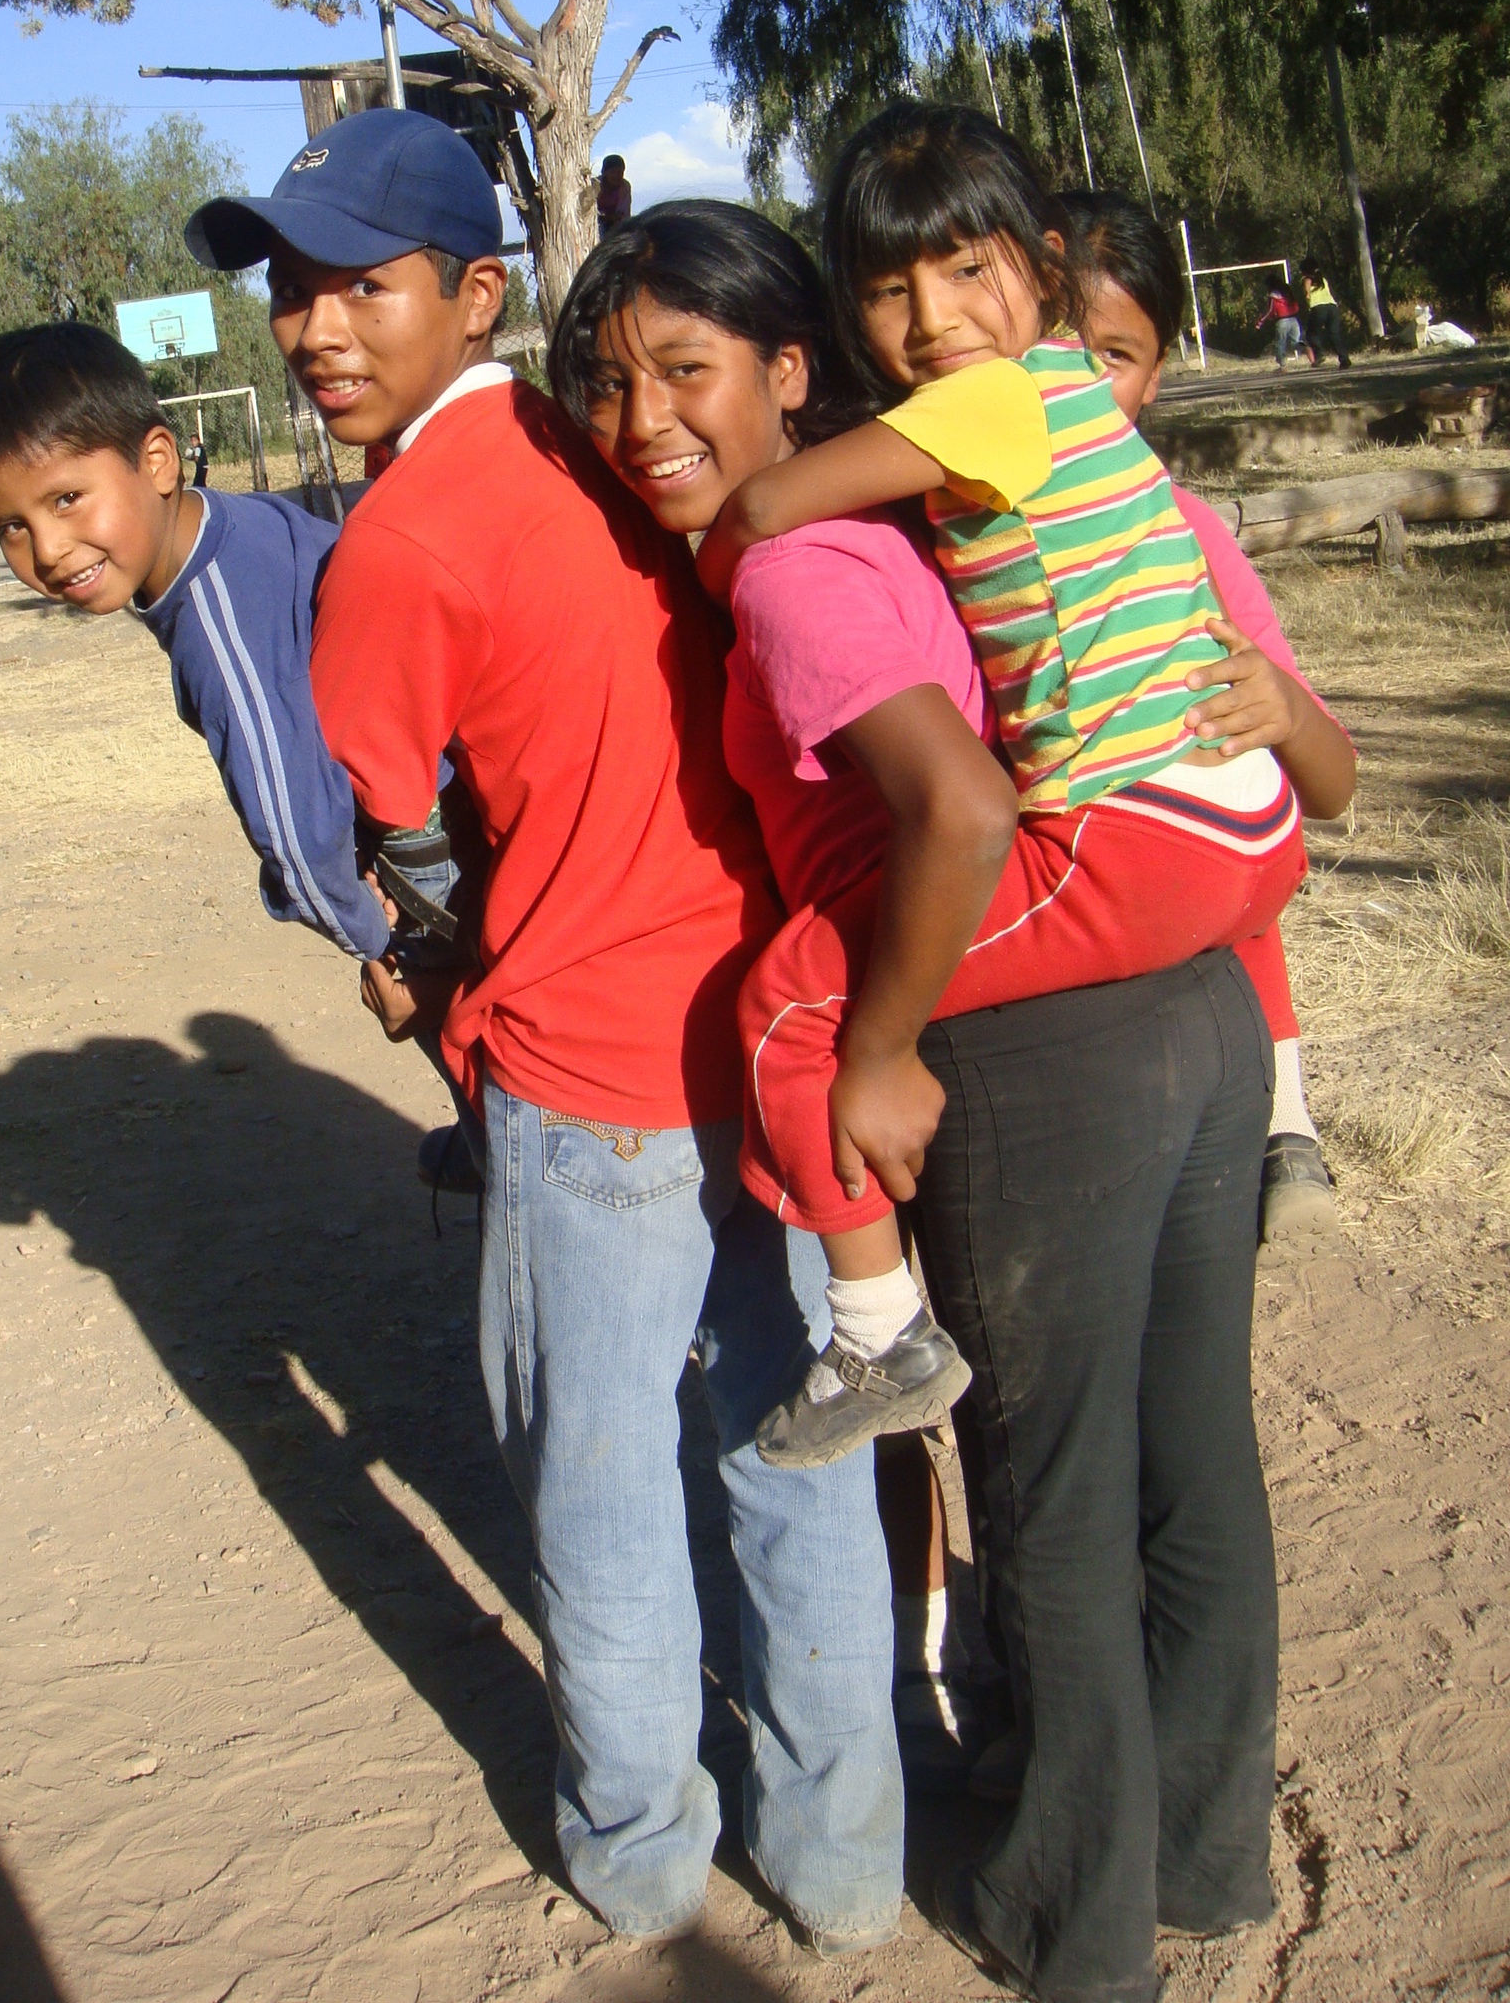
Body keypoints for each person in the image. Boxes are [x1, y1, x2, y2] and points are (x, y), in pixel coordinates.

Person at [549, 179, 1297, 2003]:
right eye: (603, 382)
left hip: (1039, 1047)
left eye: (685, 369)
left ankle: (1069, 1916)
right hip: (1188, 990)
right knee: (1187, 1456)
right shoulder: (949, 498)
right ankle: (1202, 1860)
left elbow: (953, 810)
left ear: (791, 370)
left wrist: (871, 1041)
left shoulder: (805, 558)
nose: (641, 419)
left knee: (1043, 1493)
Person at [189, 105, 906, 1957]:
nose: (313, 325)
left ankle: (642, 1850)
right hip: (768, 1027)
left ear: (474, 292)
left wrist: (433, 946)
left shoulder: (404, 535)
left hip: (590, 1070)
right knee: (790, 1435)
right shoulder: (603, 442)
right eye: (289, 287)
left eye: (361, 283)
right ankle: (842, 1863)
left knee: (595, 1485)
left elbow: (374, 818)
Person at [693, 107, 1317, 1459]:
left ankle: (876, 1335)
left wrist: (885, 1047)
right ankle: (1290, 1109)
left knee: (788, 1009)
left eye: (964, 270)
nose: (930, 319)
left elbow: (764, 508)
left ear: (1035, 267)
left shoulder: (989, 399)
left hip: (1142, 828)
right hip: (1230, 808)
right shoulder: (1070, 400)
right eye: (889, 289)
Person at [0, 320, 484, 1182]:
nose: (46, 550)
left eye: (67, 499)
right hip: (454, 790)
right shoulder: (240, 527)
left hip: (429, 837)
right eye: (10, 525)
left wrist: (382, 952)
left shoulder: (215, 620)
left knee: (454, 1022)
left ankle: (505, 1152)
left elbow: (297, 830)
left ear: (156, 461)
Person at [1064, 191, 1355, 1247]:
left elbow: (1327, 781)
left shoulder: (1181, 529)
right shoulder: (938, 521)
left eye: (1113, 356)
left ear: (1157, 371)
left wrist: (1275, 716)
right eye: (1053, 344)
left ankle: (1285, 1117)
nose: (1078, 383)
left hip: (1173, 870)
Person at [1300, 260, 1353, 367]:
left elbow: (1307, 291)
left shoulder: (1306, 279)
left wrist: (1307, 296)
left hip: (1318, 307)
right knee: (1334, 335)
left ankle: (1319, 354)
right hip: (1332, 307)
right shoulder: (1323, 280)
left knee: (1311, 334)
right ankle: (1344, 359)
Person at [1255, 279, 1310, 370]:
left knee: (1280, 343)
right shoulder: (1288, 292)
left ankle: (1282, 365)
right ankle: (1307, 350)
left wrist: (1260, 322)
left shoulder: (1273, 296)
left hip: (1282, 321)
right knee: (1295, 342)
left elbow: (1270, 311)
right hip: (1294, 319)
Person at [596, 152, 633, 236]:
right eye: (612, 172)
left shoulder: (624, 187)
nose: (616, 176)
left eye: (620, 172)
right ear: (605, 172)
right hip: (595, 222)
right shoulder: (595, 185)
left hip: (615, 223)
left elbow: (624, 213)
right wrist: (606, 217)